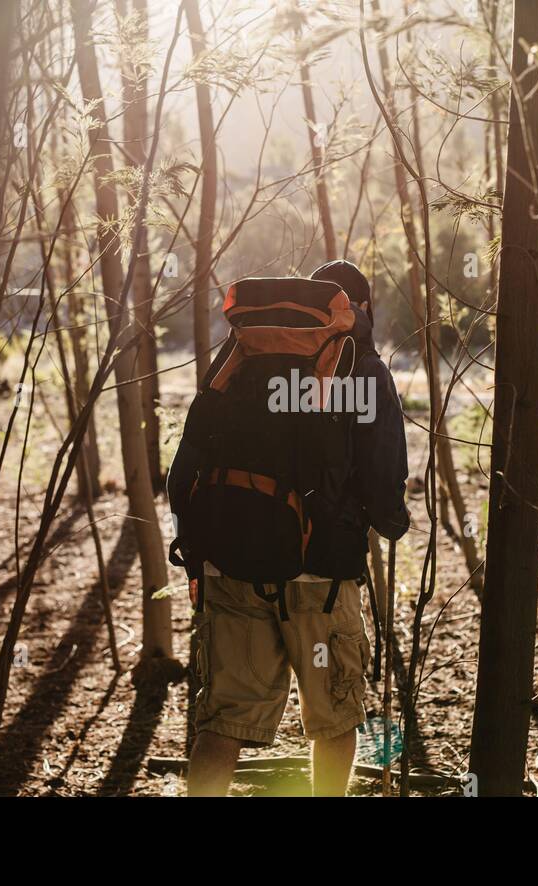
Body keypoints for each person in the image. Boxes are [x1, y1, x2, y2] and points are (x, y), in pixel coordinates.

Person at [167, 259, 410, 796]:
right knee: (335, 719)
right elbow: (382, 475)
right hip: (319, 579)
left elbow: (182, 474)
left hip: (231, 568)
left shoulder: (241, 358)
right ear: (358, 309)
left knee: (223, 722)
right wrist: (392, 521)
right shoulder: (361, 369)